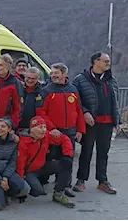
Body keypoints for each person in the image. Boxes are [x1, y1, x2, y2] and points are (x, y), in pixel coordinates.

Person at [72, 52, 119, 194]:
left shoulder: (111, 80)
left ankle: (102, 181)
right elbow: (76, 100)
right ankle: (81, 180)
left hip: (107, 122)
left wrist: (117, 121)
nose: (108, 63)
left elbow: (115, 102)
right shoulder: (80, 79)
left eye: (108, 61)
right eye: (105, 61)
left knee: (103, 153)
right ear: (95, 62)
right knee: (86, 152)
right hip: (90, 123)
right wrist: (85, 112)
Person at [36, 62, 85, 197]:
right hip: (53, 133)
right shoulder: (46, 90)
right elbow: (41, 112)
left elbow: (78, 111)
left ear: (64, 74)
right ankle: (43, 183)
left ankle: (64, 186)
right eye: (52, 73)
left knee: (67, 160)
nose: (53, 76)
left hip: (69, 131)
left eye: (56, 73)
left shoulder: (73, 90)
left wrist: (80, 130)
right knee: (51, 159)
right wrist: (51, 128)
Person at [17, 116, 75, 208]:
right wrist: (20, 184)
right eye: (40, 127)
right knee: (37, 192)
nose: (43, 130)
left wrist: (67, 154)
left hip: (42, 167)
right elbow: (20, 164)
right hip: (29, 171)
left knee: (66, 163)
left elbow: (65, 138)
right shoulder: (23, 142)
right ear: (32, 129)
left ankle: (58, 194)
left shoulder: (46, 135)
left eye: (44, 127)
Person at [0, 117, 30, 211]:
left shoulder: (13, 142)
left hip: (5, 171)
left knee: (25, 189)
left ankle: (5, 192)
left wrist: (5, 177)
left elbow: (12, 162)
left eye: (3, 126)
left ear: (9, 129)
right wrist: (0, 180)